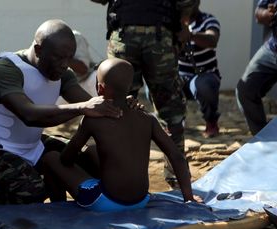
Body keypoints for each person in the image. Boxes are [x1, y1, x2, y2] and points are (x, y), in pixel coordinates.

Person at [0, 19, 123, 205]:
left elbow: (87, 102)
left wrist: (121, 105)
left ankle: (57, 209)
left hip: (31, 144)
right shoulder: (5, 69)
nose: (65, 65)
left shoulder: (61, 73)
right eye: (59, 57)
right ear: (39, 50)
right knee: (30, 191)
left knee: (91, 163)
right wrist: (83, 107)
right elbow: (29, 114)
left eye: (69, 58)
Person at [42, 58, 197, 211]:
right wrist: (188, 198)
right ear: (129, 86)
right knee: (91, 151)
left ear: (100, 88)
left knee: (52, 158)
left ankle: (58, 210)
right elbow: (176, 156)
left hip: (106, 202)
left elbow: (66, 159)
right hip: (141, 200)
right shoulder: (147, 118)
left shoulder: (93, 119)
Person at [90, 0, 196, 188]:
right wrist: (184, 22)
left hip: (124, 38)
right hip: (160, 39)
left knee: (115, 106)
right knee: (171, 109)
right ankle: (177, 179)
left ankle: (114, 173)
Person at [178, 0, 221, 138]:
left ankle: (211, 121)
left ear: (198, 2)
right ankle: (175, 122)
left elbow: (212, 40)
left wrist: (190, 35)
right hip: (179, 76)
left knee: (204, 86)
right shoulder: (173, 22)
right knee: (158, 84)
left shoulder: (208, 20)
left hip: (204, 74)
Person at [236, 0, 277, 135]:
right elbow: (259, 13)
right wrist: (267, 13)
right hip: (272, 49)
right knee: (245, 89)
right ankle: (263, 137)